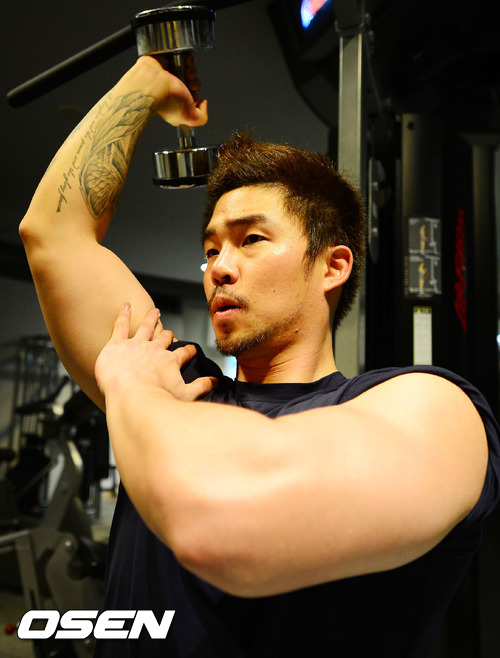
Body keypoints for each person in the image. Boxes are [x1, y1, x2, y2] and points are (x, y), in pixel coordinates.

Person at [19, 54, 500, 657]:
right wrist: (145, 81)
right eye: (210, 249)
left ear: (333, 266)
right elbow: (52, 233)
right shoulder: (178, 380)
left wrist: (129, 386)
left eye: (250, 239)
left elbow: (224, 528)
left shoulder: (434, 409)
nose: (218, 267)